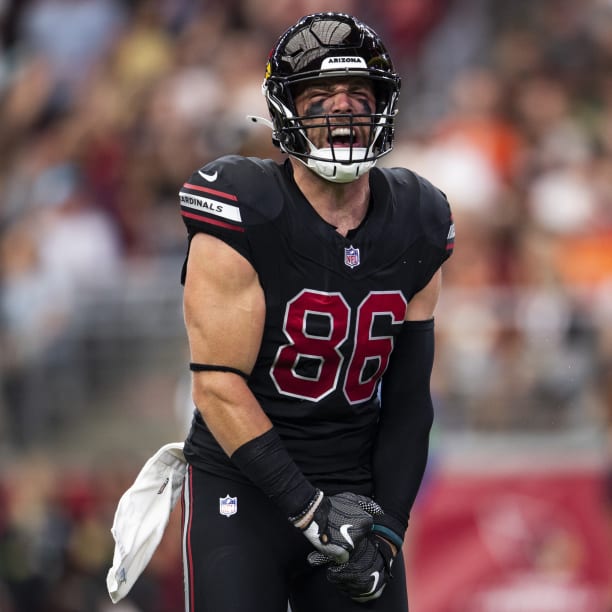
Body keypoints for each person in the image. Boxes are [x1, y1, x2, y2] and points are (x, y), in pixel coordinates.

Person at [178, 12, 454, 612]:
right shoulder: (243, 207)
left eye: (359, 93)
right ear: (286, 111)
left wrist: (388, 529)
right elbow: (218, 389)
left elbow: (409, 397)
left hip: (354, 490)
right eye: (320, 95)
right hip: (244, 484)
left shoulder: (419, 218)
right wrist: (308, 510)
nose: (344, 108)